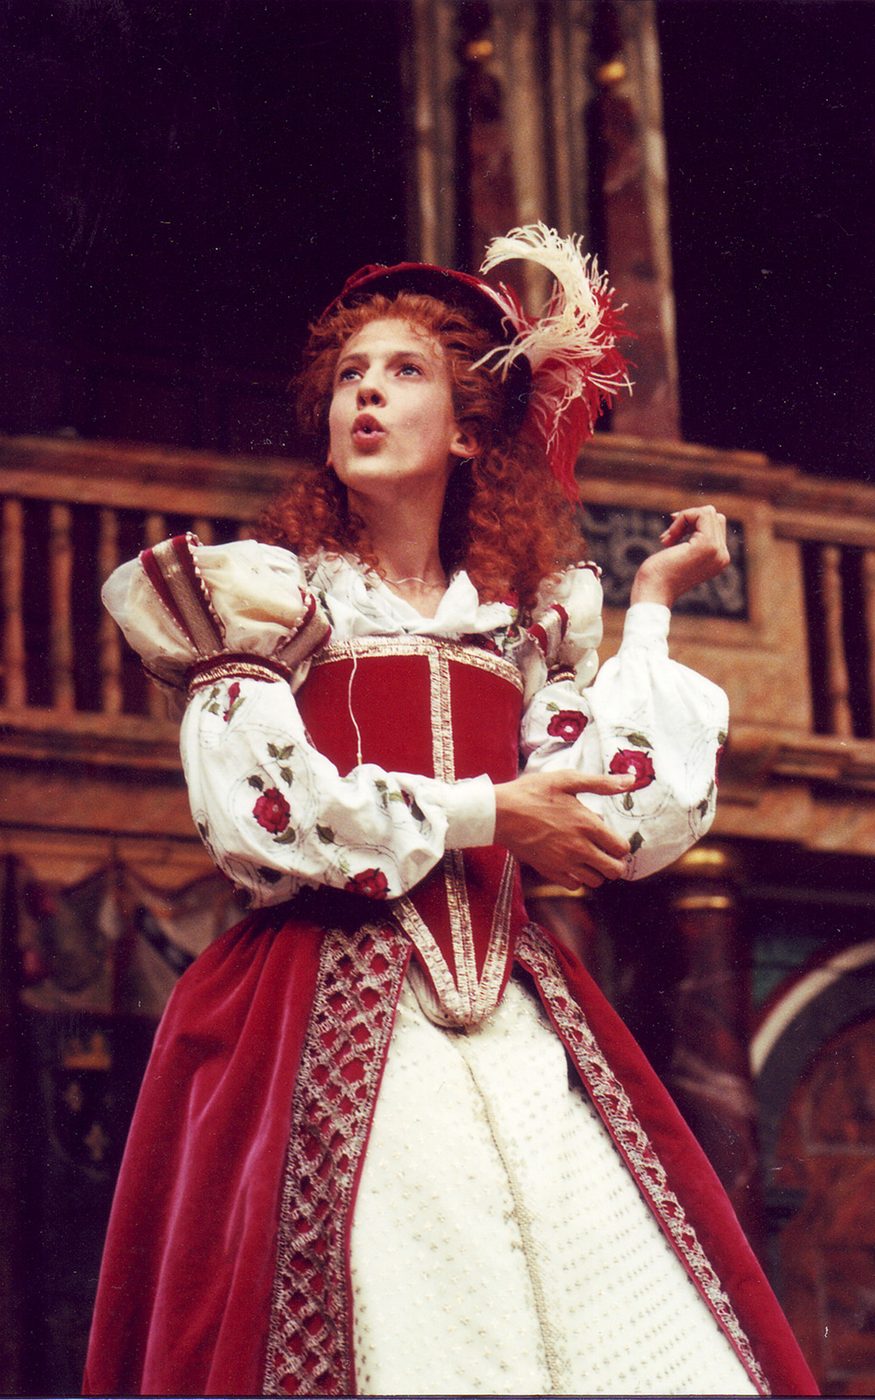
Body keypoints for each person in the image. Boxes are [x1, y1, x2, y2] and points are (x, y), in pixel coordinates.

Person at [84, 225, 817, 1397]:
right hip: (317, 1003)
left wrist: (649, 610)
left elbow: (620, 818)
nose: (364, 391)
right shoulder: (266, 604)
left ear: (469, 429)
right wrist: (488, 812)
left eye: (403, 371)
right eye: (346, 378)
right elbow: (265, 812)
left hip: (512, 1012)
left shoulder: (521, 629)